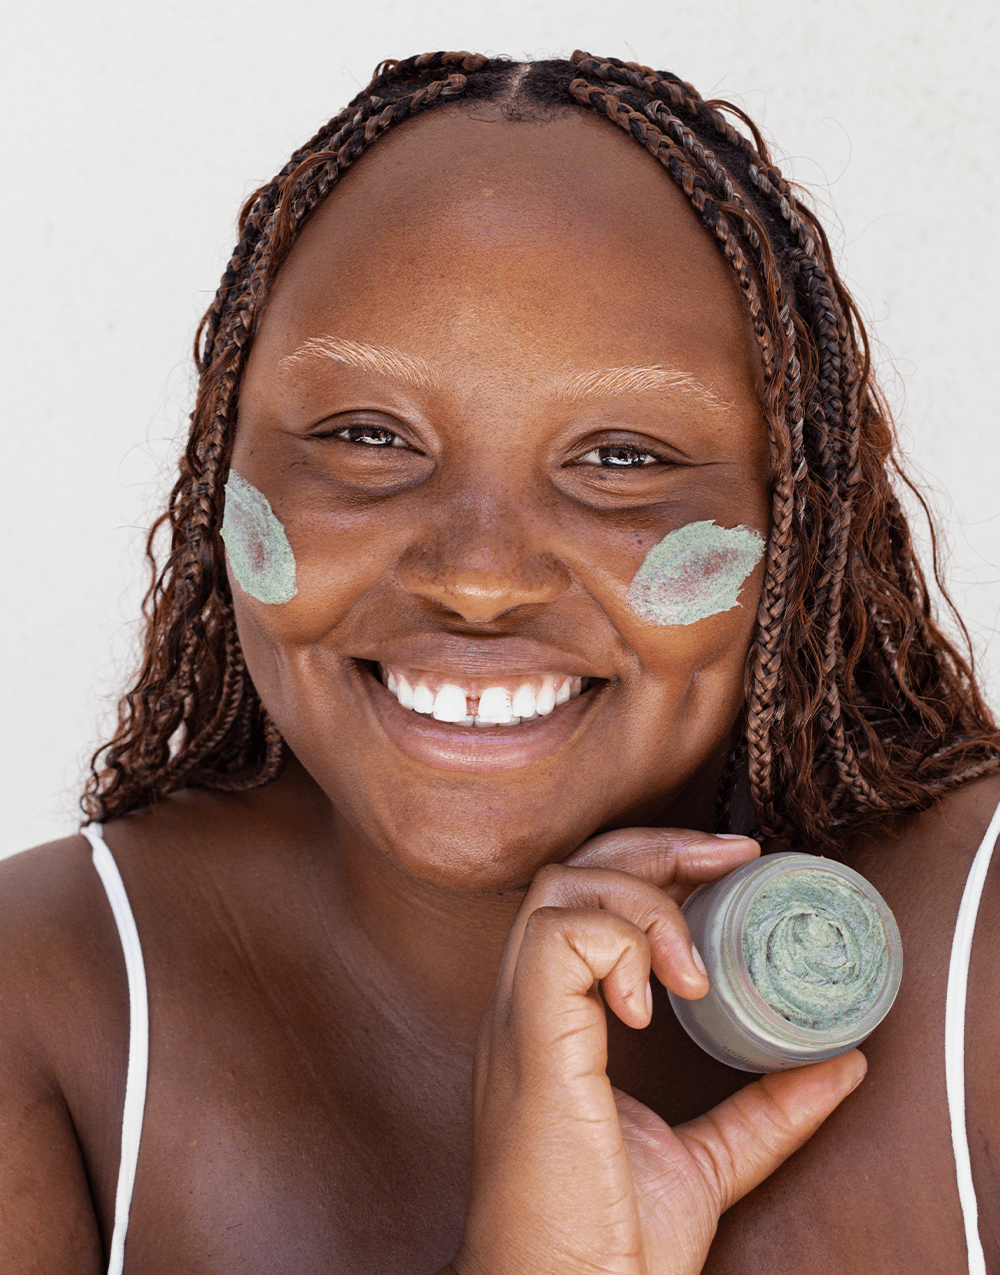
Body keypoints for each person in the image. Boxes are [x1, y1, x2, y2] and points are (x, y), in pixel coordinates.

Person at [1, 49, 997, 1274]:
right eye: (367, 437)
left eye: (620, 457)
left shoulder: (985, 952)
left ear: (798, 520)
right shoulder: (40, 992)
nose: (477, 576)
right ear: (221, 475)